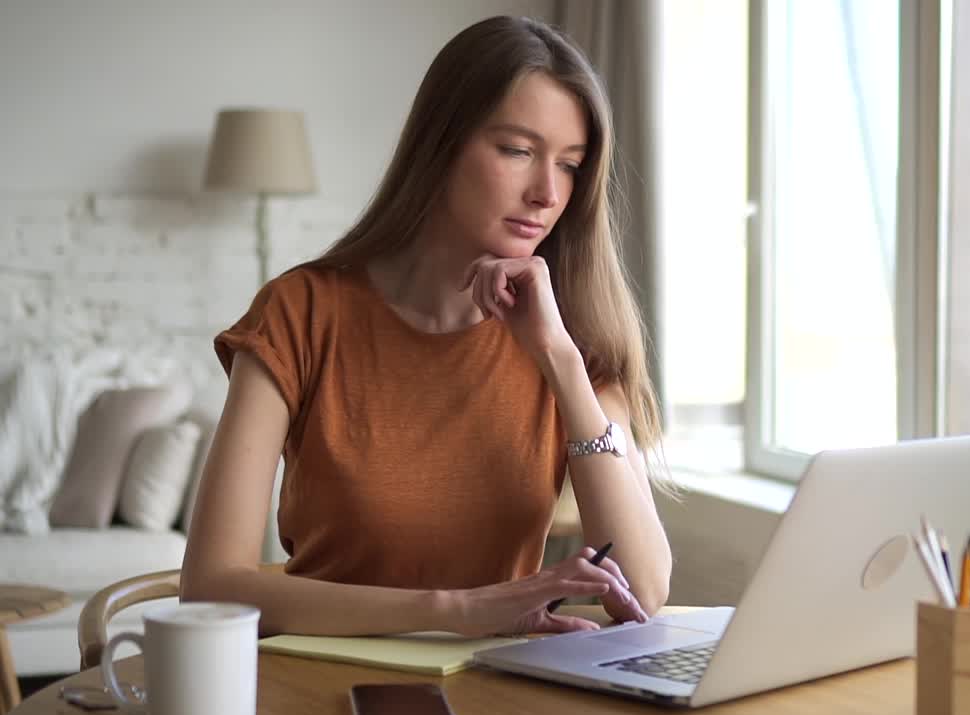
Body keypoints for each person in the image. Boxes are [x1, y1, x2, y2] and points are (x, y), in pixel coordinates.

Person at [180, 15, 673, 638]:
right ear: (441, 146)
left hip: (495, 691)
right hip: (321, 682)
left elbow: (646, 587)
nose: (548, 192)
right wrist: (459, 612)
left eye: (571, 165)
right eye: (518, 151)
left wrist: (562, 362)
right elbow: (210, 584)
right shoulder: (300, 313)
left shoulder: (570, 332)